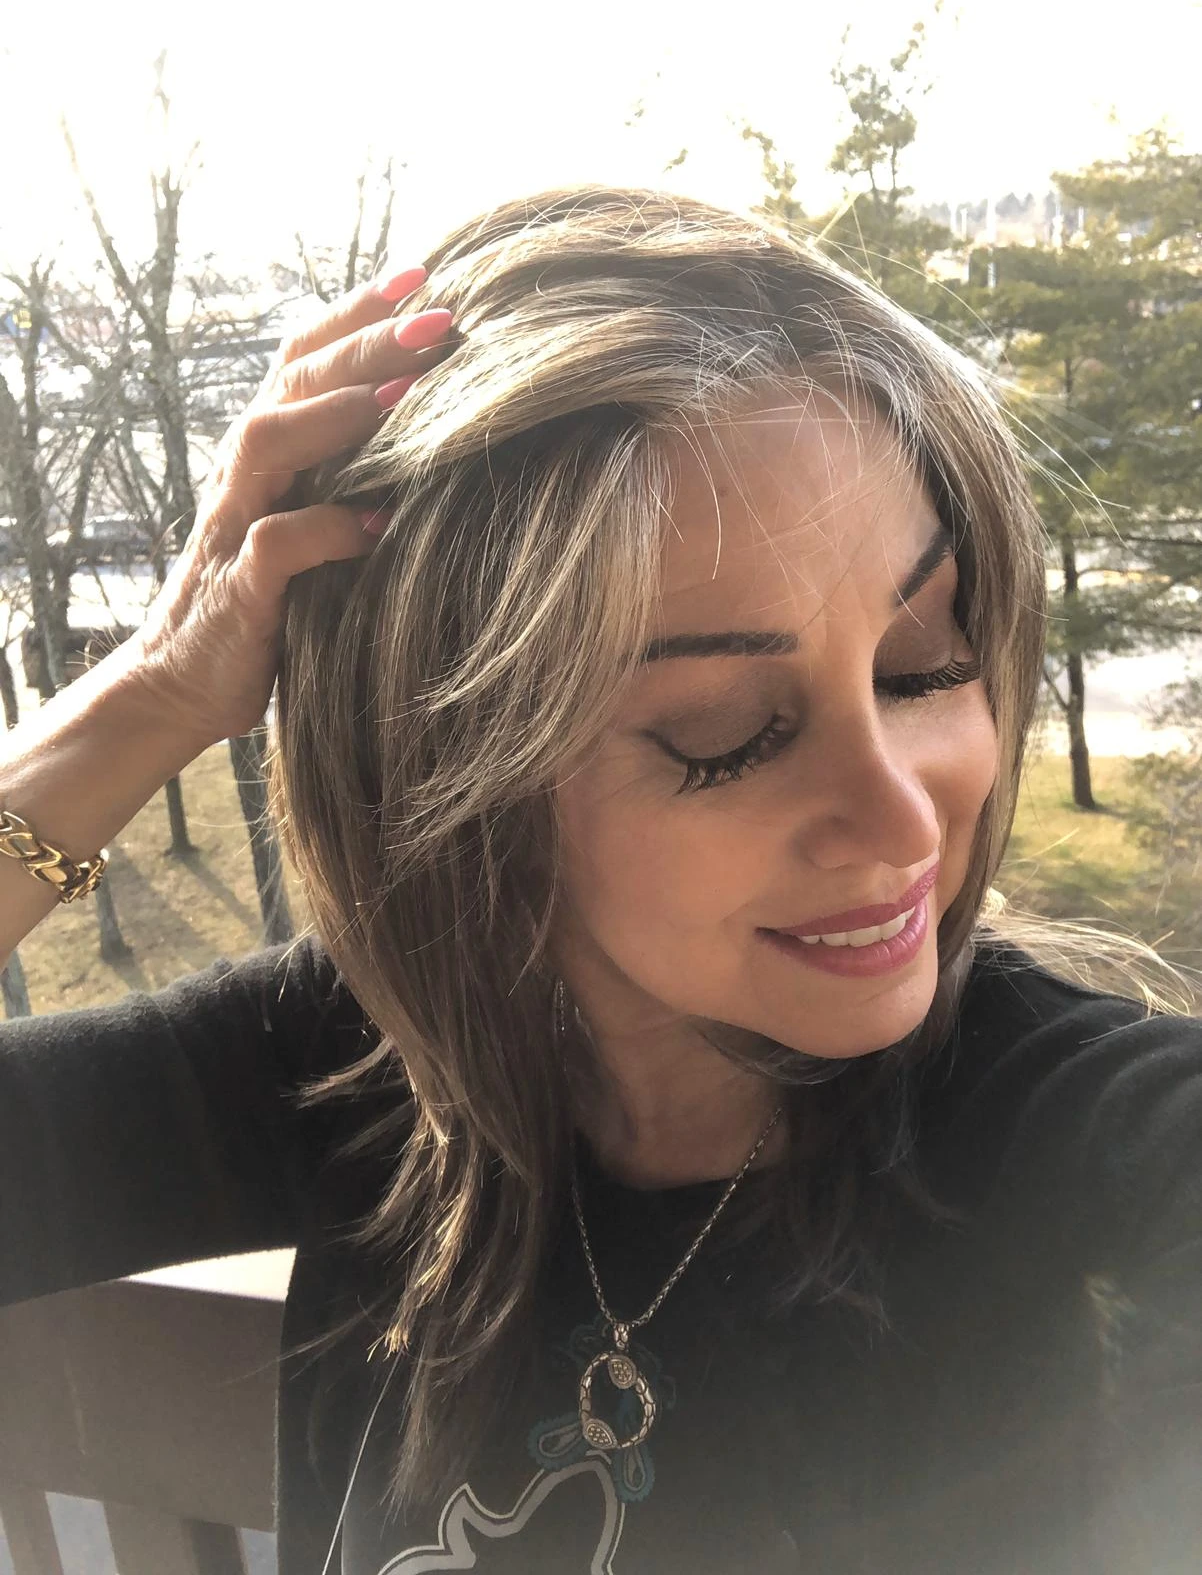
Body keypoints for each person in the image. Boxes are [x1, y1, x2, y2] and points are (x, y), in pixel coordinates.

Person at [1, 186, 1199, 1575]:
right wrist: (149, 697)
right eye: (722, 734)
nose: (897, 815)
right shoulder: (355, 1072)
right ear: (461, 770)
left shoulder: (1059, 1130)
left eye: (923, 664)